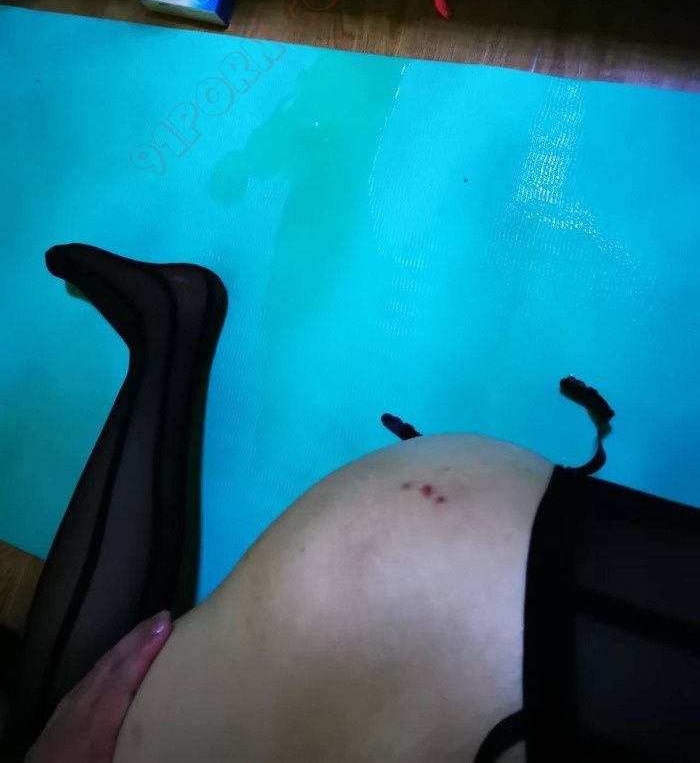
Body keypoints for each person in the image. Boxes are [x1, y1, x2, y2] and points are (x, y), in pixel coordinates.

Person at [11, 244, 700, 762]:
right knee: (67, 715)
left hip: (505, 588)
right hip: (495, 609)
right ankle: (168, 333)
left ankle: (168, 333)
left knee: (67, 716)